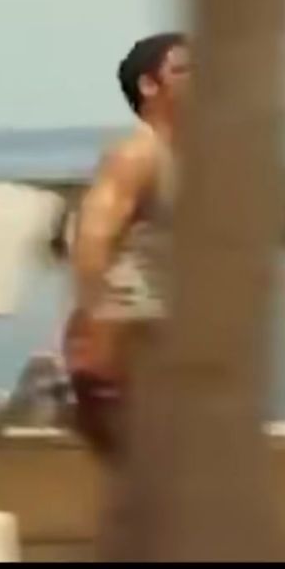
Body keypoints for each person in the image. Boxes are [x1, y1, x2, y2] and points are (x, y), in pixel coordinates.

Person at [61, 32, 188, 462]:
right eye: (184, 70)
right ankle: (58, 394)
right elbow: (93, 238)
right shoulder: (137, 154)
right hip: (130, 326)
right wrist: (91, 326)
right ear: (149, 86)